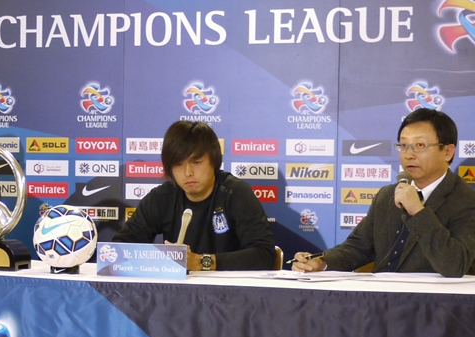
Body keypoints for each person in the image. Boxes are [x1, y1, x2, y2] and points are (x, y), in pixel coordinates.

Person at [292, 109, 475, 277]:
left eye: (420, 145)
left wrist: (418, 212)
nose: (409, 155)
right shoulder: (387, 196)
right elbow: (357, 247)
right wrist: (322, 263)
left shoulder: (466, 201)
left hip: (434, 305)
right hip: (381, 302)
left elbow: (455, 265)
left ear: (448, 152)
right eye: (403, 146)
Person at [113, 120, 276, 270]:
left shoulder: (236, 193)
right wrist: (158, 258)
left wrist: (201, 262)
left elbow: (265, 255)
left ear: (214, 161)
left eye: (196, 162)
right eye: (178, 164)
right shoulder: (162, 197)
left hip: (231, 295)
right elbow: (118, 249)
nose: (188, 172)